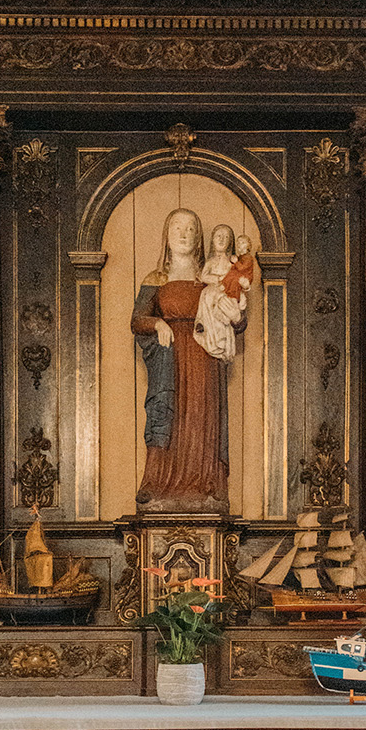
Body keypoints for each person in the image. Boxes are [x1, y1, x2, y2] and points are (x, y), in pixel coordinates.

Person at [131, 208, 245, 512]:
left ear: (199, 239)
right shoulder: (156, 278)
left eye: (191, 229)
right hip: (168, 360)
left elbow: (235, 315)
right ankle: (158, 483)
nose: (184, 234)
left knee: (201, 416)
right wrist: (158, 323)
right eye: (177, 228)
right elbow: (137, 319)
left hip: (203, 355)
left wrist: (234, 314)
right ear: (167, 236)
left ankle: (207, 485)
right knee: (166, 413)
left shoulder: (212, 276)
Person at [194, 224, 246, 363]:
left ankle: (222, 342)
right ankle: (207, 331)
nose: (222, 240)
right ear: (212, 240)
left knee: (226, 314)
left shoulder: (231, 264)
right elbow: (204, 276)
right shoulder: (210, 262)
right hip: (213, 291)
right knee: (207, 301)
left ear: (230, 243)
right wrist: (218, 279)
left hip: (227, 292)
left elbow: (238, 278)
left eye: (226, 237)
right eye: (219, 236)